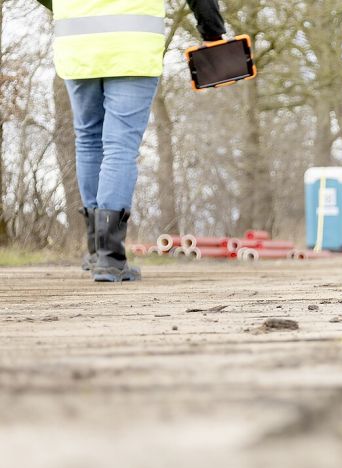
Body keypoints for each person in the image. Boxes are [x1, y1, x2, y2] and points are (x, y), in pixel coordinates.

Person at [36, 0, 225, 282]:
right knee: (120, 145)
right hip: (132, 46)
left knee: (88, 139)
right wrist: (212, 32)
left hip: (77, 43)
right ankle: (109, 257)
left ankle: (95, 250)